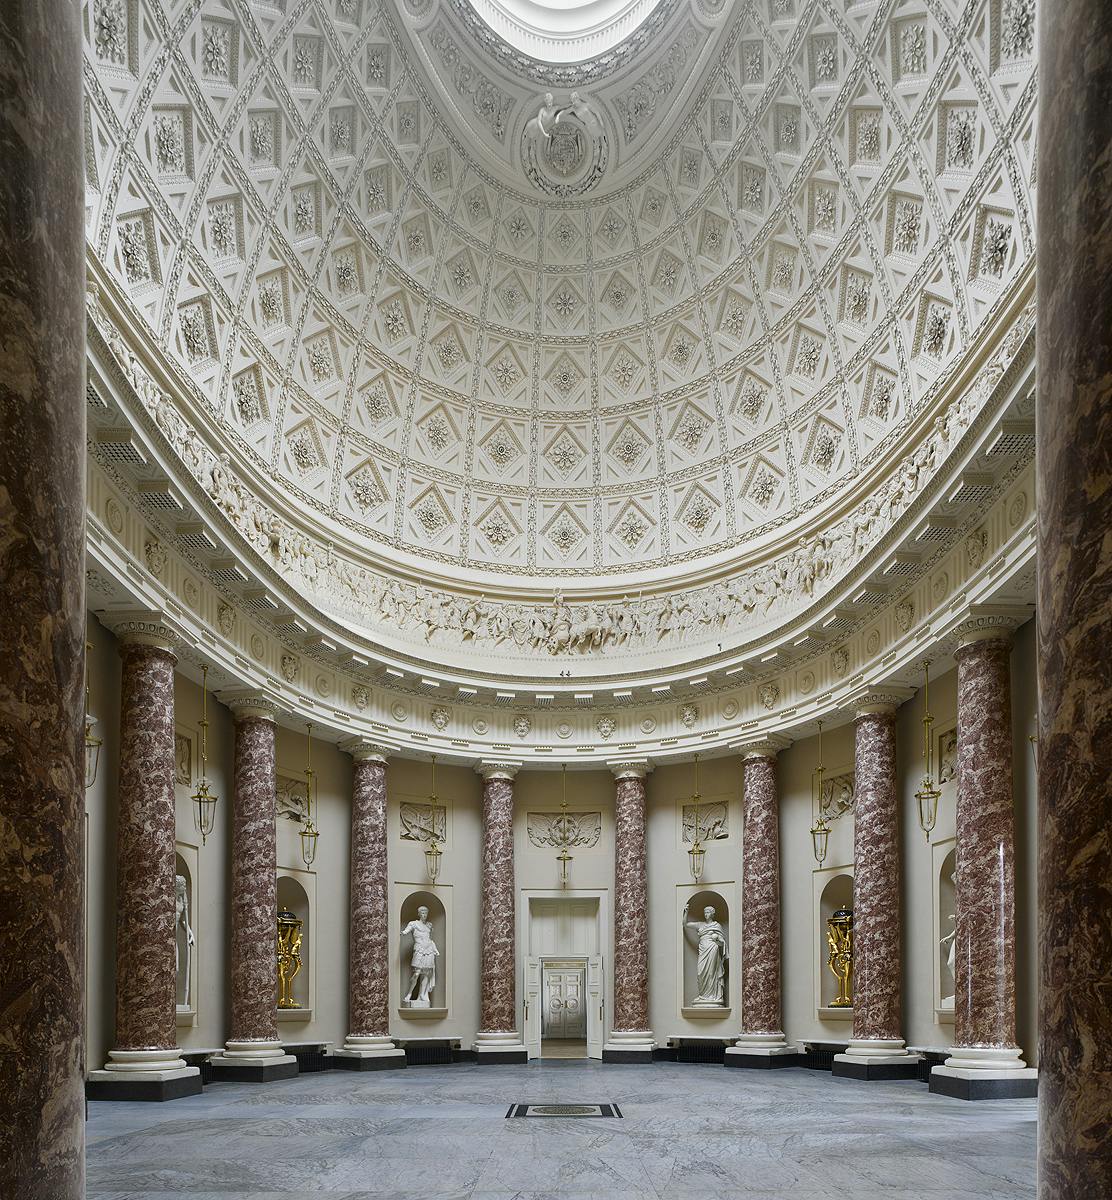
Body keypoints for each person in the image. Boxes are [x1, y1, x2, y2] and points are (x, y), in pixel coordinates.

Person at [683, 902, 727, 1006]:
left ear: (712, 914)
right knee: (701, 973)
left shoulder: (717, 926)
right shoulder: (700, 924)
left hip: (712, 949)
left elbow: (722, 943)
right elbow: (685, 924)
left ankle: (713, 997)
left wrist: (716, 940)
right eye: (705, 912)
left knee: (712, 973)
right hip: (703, 951)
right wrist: (686, 912)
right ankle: (703, 995)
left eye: (708, 912)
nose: (706, 914)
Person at [401, 905, 439, 1007]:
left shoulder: (429, 925)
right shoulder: (413, 924)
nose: (424, 915)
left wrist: (435, 949)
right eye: (422, 913)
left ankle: (422, 995)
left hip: (429, 951)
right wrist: (404, 932)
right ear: (419, 914)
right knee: (417, 973)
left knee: (426, 974)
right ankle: (409, 994)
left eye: (426, 913)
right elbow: (407, 930)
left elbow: (430, 940)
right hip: (419, 949)